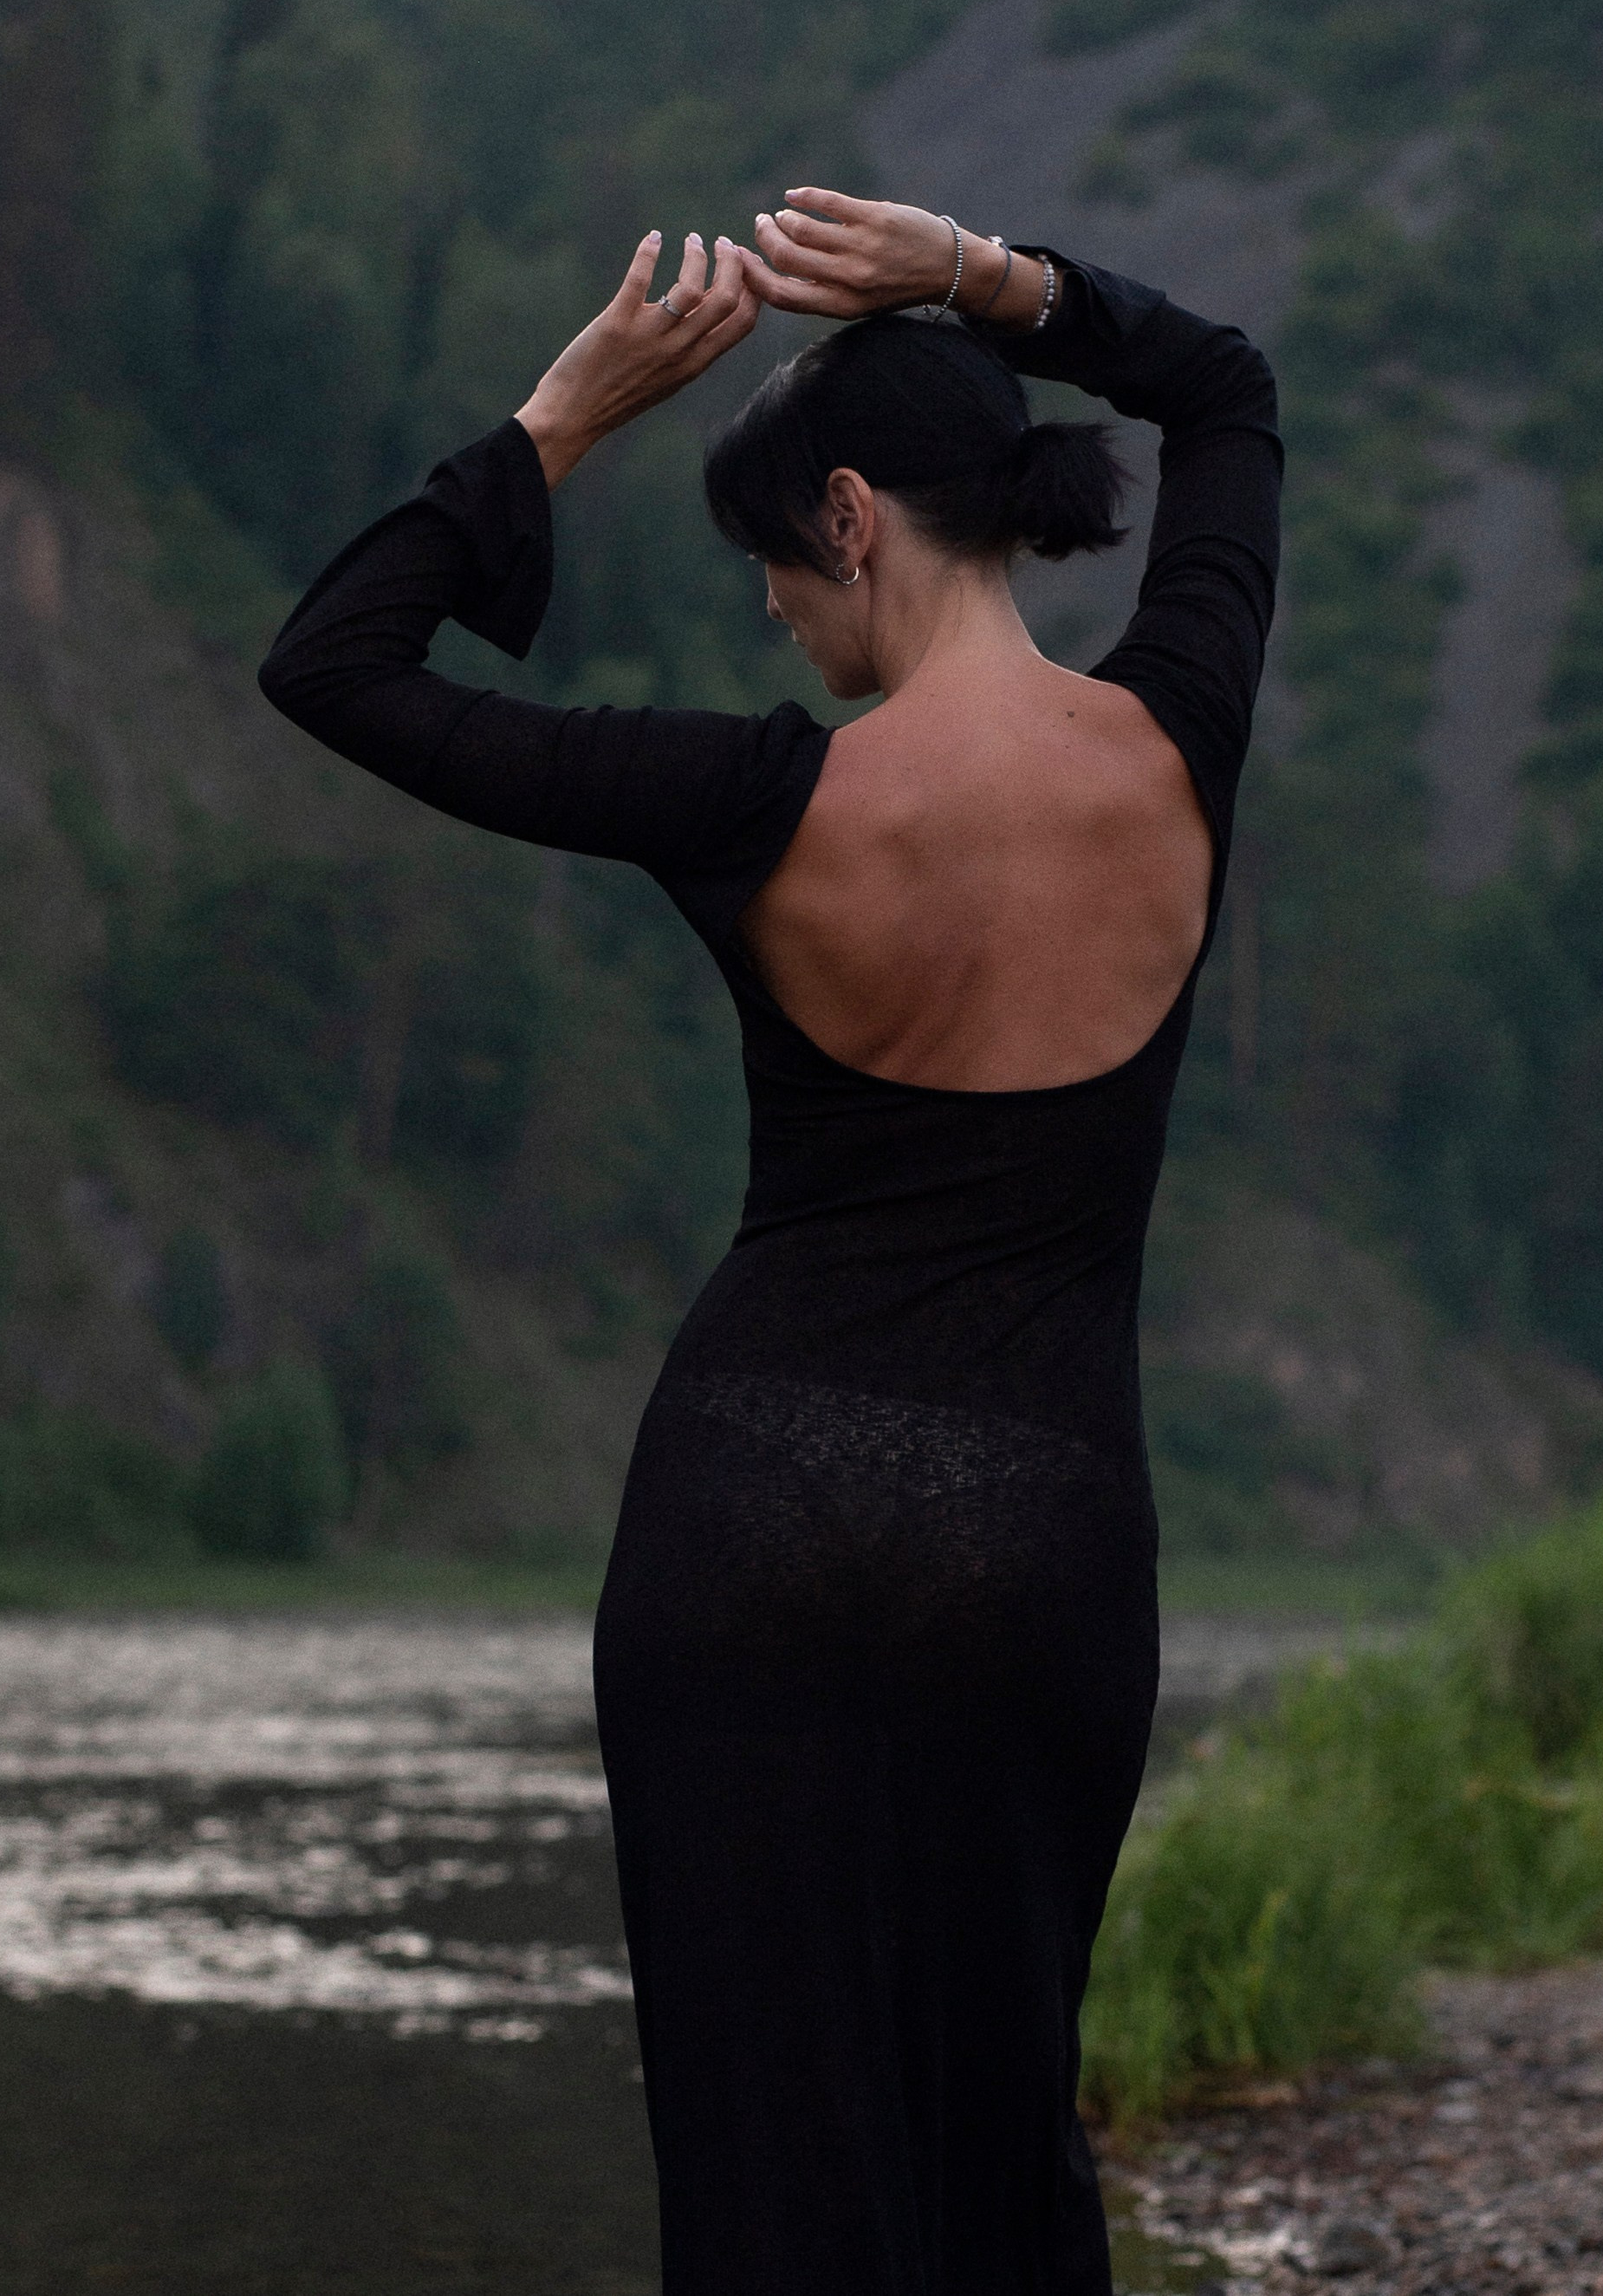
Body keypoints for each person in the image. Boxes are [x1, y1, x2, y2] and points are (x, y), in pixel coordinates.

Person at [259, 188, 1282, 2296]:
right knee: (996, 2118)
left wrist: (562, 414)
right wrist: (986, 280)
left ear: (847, 516)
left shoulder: (745, 798)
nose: (770, 614)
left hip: (750, 1515)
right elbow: (1221, 388)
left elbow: (334, 661)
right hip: (1044, 1524)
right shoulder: (1177, 737)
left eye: (772, 568)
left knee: (768, 2146)